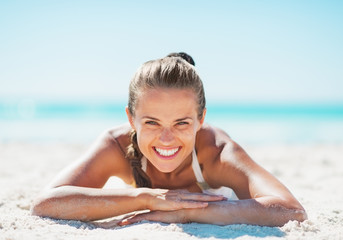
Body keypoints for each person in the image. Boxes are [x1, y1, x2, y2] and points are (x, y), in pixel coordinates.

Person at [31, 53, 307, 226]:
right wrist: (146, 198)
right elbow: (47, 203)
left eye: (182, 123)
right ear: (131, 119)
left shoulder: (217, 152)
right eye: (151, 122)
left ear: (201, 119)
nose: (166, 139)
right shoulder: (115, 145)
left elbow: (290, 210)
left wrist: (186, 212)